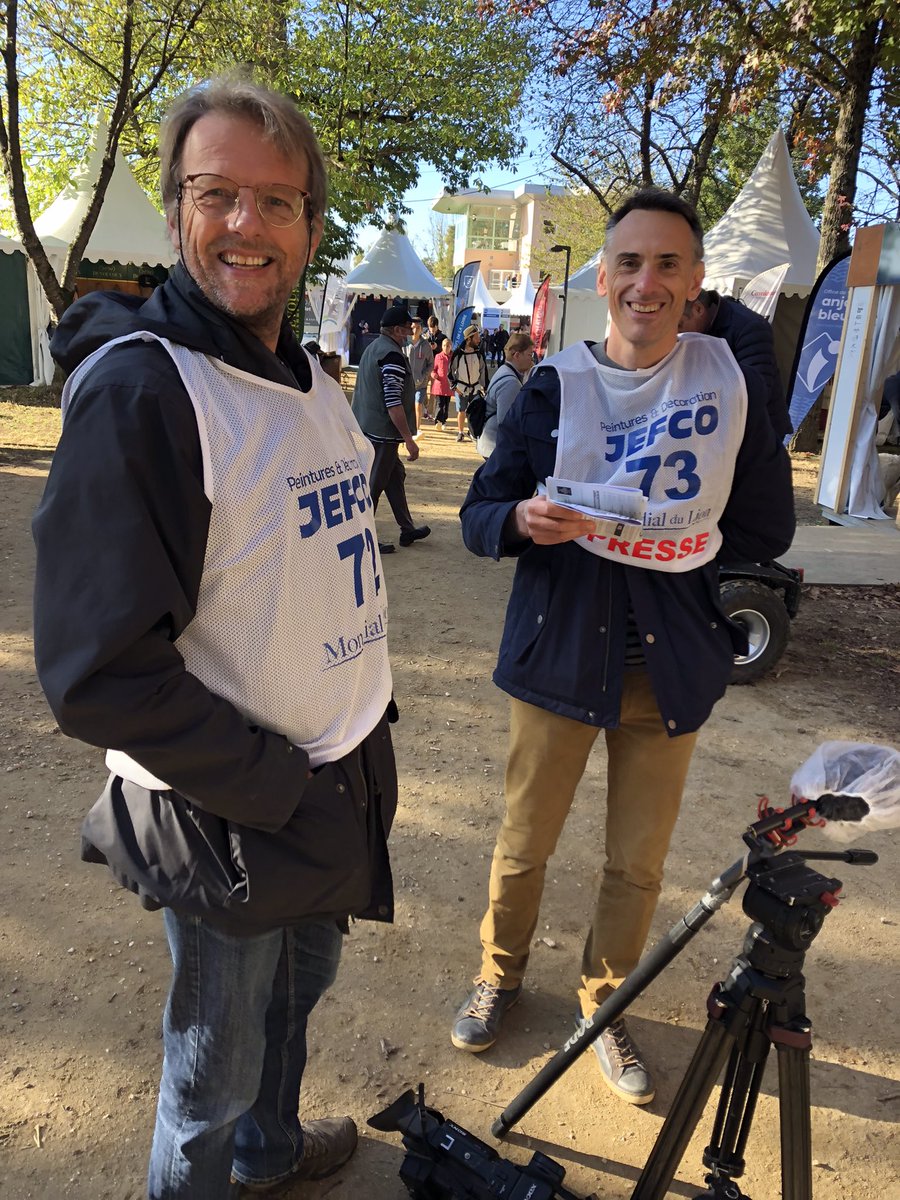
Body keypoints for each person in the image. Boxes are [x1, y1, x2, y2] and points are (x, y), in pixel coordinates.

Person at [32, 77, 399, 1200]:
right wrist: (274, 784)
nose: (248, 224)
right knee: (211, 1076)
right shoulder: (146, 393)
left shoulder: (307, 376)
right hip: (235, 808)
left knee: (300, 995)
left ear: (310, 225)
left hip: (329, 785)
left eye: (277, 201)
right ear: (181, 208)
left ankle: (274, 1155)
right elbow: (98, 672)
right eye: (217, 194)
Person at [451, 188, 795, 1107]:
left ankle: (603, 1006)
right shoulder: (553, 387)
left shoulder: (726, 391)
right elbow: (477, 514)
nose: (648, 282)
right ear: (603, 280)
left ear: (694, 286)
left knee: (636, 864)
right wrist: (520, 518)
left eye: (669, 265)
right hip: (559, 652)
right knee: (525, 843)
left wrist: (702, 497)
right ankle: (500, 974)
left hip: (671, 664)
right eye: (631, 264)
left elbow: (767, 527)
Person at [351, 303, 431, 554]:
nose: (411, 331)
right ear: (397, 330)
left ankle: (407, 529)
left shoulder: (374, 348)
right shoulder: (393, 355)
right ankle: (362, 539)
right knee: (373, 487)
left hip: (368, 427)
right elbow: (393, 402)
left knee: (394, 478)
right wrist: (409, 439)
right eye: (408, 327)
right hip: (383, 434)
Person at [679, 289, 792, 440]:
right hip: (712, 426)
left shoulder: (749, 326)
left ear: (698, 309)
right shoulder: (699, 328)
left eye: (679, 325)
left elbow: (757, 389)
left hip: (759, 431)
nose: (675, 335)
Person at [475, 332, 535, 458]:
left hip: (491, 443)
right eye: (529, 355)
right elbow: (507, 423)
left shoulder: (504, 370)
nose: (532, 360)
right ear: (517, 355)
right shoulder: (511, 383)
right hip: (495, 447)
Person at [449, 323, 488, 442]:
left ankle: (473, 432)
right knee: (461, 411)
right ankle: (460, 432)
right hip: (461, 387)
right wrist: (454, 386)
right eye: (476, 337)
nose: (479, 339)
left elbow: (483, 371)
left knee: (476, 411)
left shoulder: (479, 353)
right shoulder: (458, 354)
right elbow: (450, 371)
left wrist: (485, 387)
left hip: (475, 388)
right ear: (469, 338)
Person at [406, 314, 435, 429]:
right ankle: (407, 428)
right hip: (406, 383)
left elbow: (431, 364)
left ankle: (417, 429)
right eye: (413, 327)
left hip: (420, 383)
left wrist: (424, 376)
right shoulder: (405, 344)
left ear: (422, 329)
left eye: (418, 328)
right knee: (407, 406)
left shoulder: (426, 346)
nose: (415, 330)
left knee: (418, 404)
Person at [430, 336, 453, 430]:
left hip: (449, 385)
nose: (446, 347)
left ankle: (444, 421)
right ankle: (438, 421)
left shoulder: (453, 357)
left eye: (448, 346)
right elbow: (434, 369)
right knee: (439, 404)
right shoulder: (438, 356)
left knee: (446, 405)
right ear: (442, 346)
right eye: (444, 345)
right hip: (439, 384)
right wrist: (433, 374)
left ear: (451, 346)